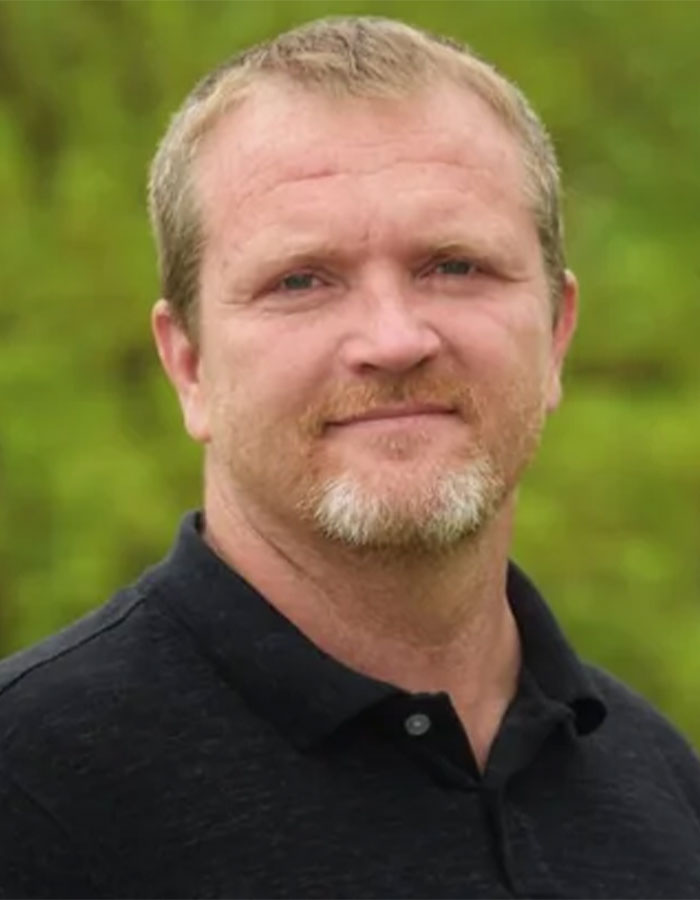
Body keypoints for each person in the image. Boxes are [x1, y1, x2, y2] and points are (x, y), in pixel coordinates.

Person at [1, 15, 699, 900]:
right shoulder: (31, 790)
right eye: (302, 281)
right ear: (190, 364)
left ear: (556, 335)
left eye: (454, 265)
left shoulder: (665, 793)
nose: (395, 339)